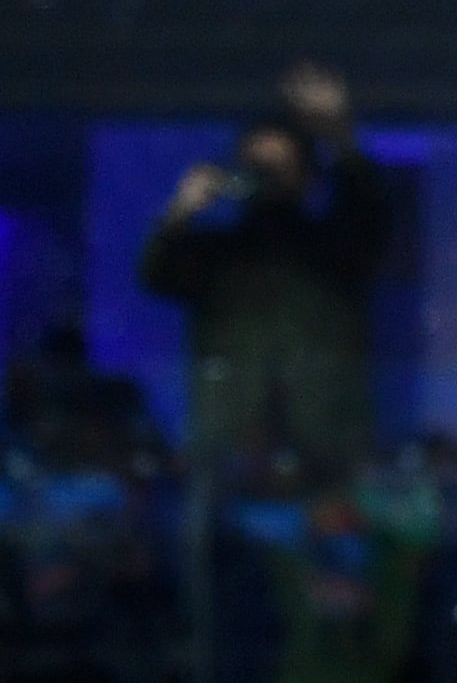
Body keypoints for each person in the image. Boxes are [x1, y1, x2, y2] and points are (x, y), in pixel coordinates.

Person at [138, 61, 395, 476]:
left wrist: (341, 137)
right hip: (232, 445)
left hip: (324, 441)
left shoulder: (330, 250)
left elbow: (370, 222)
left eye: (280, 169)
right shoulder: (219, 255)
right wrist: (178, 215)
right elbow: (156, 277)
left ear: (308, 176)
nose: (268, 180)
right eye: (257, 168)